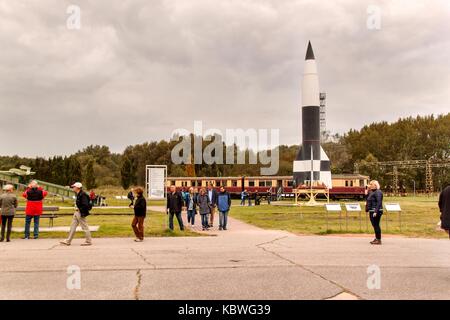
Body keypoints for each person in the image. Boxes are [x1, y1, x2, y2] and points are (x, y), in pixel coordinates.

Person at [366, 180, 383, 245]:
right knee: (374, 225)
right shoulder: (372, 192)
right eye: (369, 184)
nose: (370, 185)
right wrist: (366, 190)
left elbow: (379, 202)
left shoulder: (378, 192)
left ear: (375, 185)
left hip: (376, 211)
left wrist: (376, 211)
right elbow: (367, 198)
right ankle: (377, 238)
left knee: (376, 225)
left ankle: (378, 240)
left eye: (371, 184)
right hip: (371, 211)